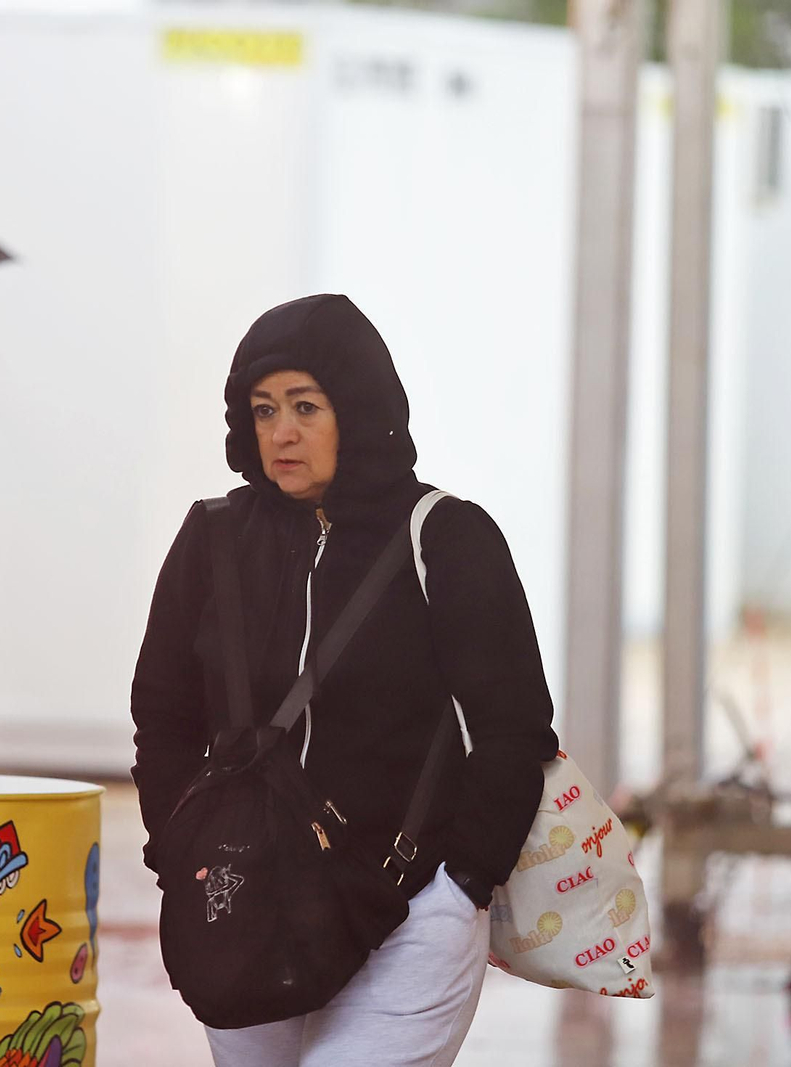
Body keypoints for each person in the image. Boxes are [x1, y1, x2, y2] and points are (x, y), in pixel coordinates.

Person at [130, 294, 560, 1065]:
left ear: (358, 410)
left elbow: (513, 729)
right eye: (263, 410)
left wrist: (462, 882)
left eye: (305, 405)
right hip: (244, 900)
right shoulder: (213, 540)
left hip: (406, 905)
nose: (281, 432)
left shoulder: (449, 538)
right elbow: (163, 718)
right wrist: (181, 846)